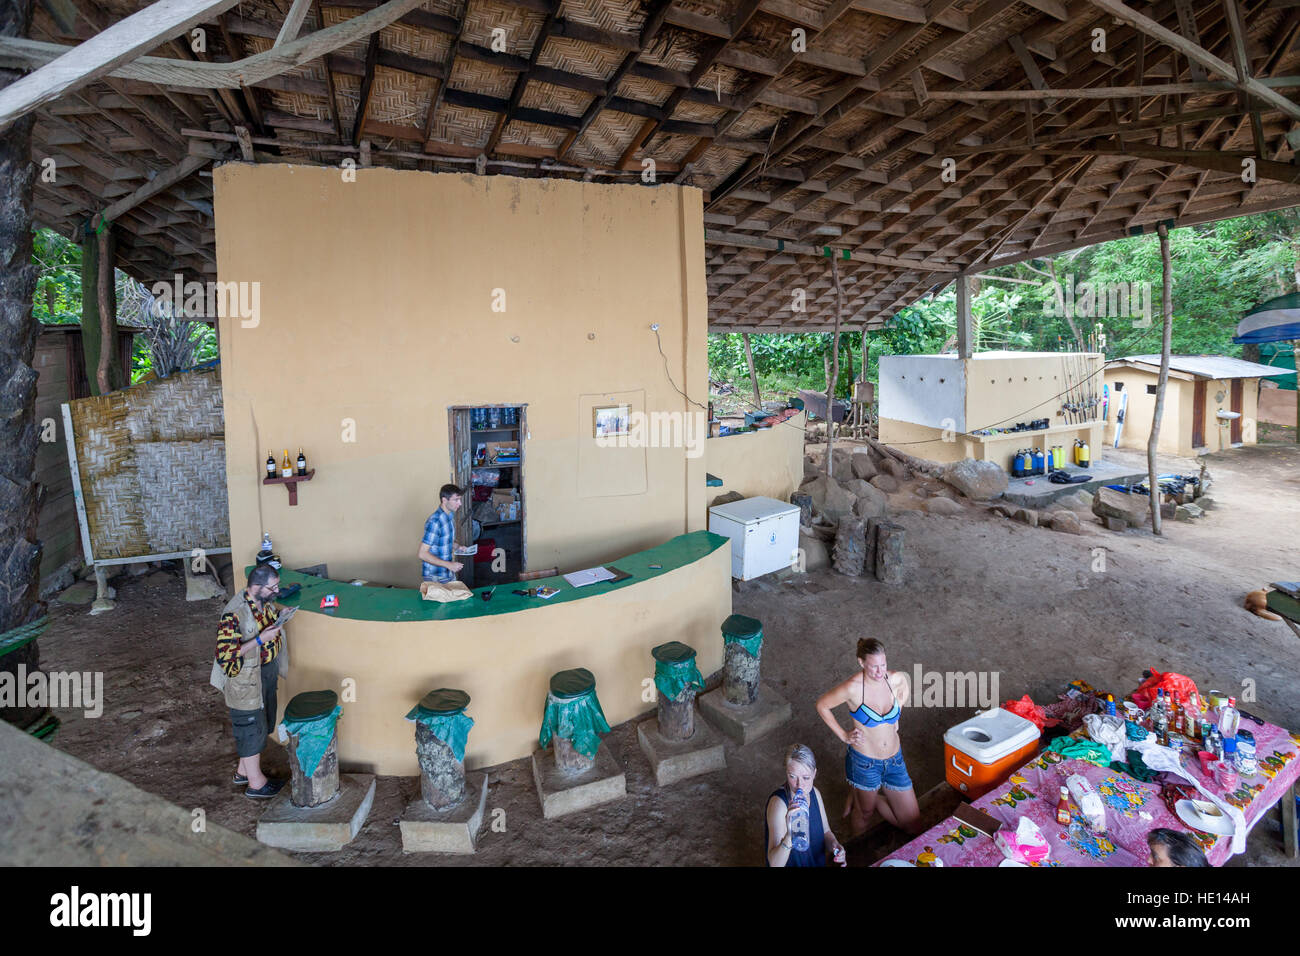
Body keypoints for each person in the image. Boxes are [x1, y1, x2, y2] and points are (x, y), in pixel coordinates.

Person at [815, 637, 924, 838]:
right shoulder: (853, 688)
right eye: (874, 667)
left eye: (883, 665)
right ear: (861, 662)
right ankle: (858, 850)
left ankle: (867, 796)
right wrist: (843, 735)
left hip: (894, 761)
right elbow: (822, 705)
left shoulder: (895, 678)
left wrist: (896, 715)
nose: (880, 671)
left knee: (914, 826)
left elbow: (904, 689)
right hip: (865, 763)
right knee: (864, 814)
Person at [213, 564, 294, 798]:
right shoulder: (234, 613)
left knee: (261, 724)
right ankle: (256, 785)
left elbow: (266, 628)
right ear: (257, 586)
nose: (277, 591)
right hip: (244, 681)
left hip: (263, 673)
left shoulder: (263, 602)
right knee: (249, 727)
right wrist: (260, 640)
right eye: (273, 587)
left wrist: (281, 617)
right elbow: (225, 655)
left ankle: (243, 772)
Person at [764, 744, 846, 867]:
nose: (799, 784)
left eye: (806, 778)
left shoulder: (815, 793)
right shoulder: (779, 805)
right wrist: (790, 835)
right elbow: (775, 864)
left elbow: (826, 832)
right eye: (792, 776)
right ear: (786, 772)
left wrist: (835, 845)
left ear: (814, 774)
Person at [418, 483, 465, 583]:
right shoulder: (435, 522)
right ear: (444, 500)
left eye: (459, 499)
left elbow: (444, 541)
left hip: (446, 572)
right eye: (456, 500)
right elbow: (422, 554)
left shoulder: (449, 516)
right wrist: (449, 565)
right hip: (435, 575)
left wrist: (458, 547)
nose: (460, 503)